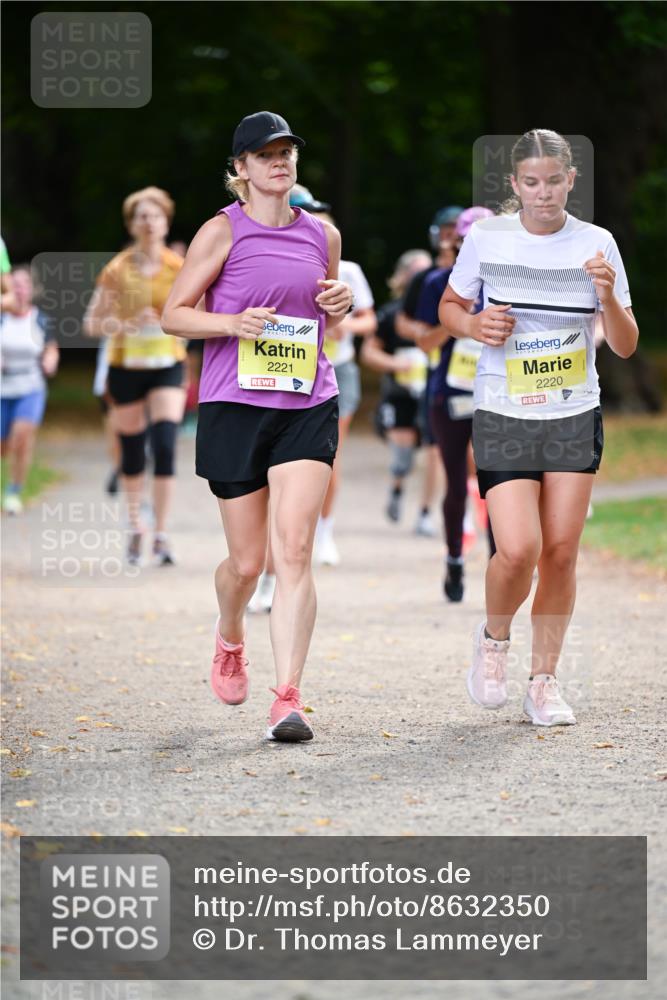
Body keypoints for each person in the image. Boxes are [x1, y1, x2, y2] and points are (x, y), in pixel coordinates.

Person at [161, 111, 353, 743]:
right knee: (249, 562)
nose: (281, 162)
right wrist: (231, 324)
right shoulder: (221, 233)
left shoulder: (322, 234)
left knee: (293, 550)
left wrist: (338, 306)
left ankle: (289, 698)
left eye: (288, 151)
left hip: (306, 401)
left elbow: (326, 320)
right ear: (240, 168)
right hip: (234, 405)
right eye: (266, 154)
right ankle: (230, 632)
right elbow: (174, 316)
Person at [440, 129, 637, 726]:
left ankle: (545, 682)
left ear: (571, 180)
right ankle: (494, 642)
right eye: (532, 182)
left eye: (555, 181)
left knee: (560, 552)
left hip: (573, 412)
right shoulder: (486, 237)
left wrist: (608, 297)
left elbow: (625, 345)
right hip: (504, 411)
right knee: (517, 549)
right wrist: (476, 328)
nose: (544, 193)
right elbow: (450, 309)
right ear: (515, 185)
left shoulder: (596, 243)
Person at [84, 186, 186, 566]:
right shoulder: (117, 268)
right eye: (141, 216)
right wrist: (126, 322)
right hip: (125, 367)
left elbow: (199, 314)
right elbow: (92, 323)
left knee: (164, 444)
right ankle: (134, 527)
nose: (149, 222)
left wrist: (169, 321)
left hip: (168, 365)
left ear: (165, 222)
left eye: (155, 215)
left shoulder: (179, 268)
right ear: (131, 223)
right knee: (131, 451)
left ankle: (160, 533)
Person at [290, 185, 377, 566]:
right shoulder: (277, 263)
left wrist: (345, 328)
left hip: (337, 369)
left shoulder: (350, 271)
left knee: (329, 456)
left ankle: (324, 532)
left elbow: (369, 319)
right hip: (292, 366)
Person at [414, 207, 495, 601]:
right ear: (456, 242)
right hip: (450, 394)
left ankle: (502, 559)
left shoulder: (509, 279)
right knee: (456, 484)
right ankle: (454, 559)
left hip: (496, 392)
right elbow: (424, 343)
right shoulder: (437, 283)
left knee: (497, 480)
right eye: (467, 240)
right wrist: (459, 322)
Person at [361, 249, 433, 524]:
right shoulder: (391, 314)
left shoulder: (446, 312)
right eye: (416, 274)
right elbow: (369, 353)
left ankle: (425, 513)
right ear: (403, 278)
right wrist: (396, 364)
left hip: (432, 392)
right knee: (403, 454)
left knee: (435, 455)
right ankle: (397, 489)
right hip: (400, 393)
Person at [1, 266, 59, 513]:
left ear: (33, 289)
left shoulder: (41, 320)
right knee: (3, 446)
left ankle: (14, 491)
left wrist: (50, 360)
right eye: (14, 284)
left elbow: (52, 349)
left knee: (22, 437)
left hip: (31, 386)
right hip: (3, 387)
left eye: (24, 284)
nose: (19, 289)